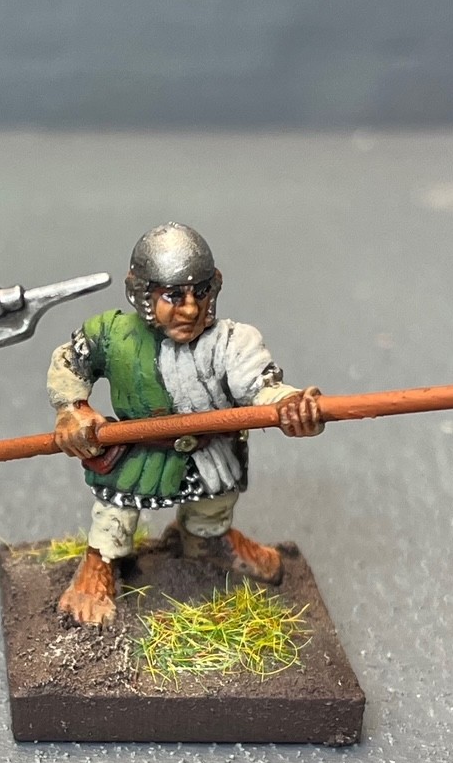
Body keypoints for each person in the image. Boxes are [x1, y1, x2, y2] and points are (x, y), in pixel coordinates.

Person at [47, 222, 323, 628]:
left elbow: (260, 386)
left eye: (201, 292)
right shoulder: (111, 334)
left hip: (210, 451)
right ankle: (99, 565)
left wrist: (291, 406)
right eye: (173, 296)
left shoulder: (232, 341)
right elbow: (70, 362)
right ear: (142, 294)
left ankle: (205, 540)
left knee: (214, 502)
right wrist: (72, 409)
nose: (191, 309)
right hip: (139, 452)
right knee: (116, 513)